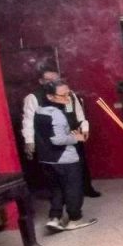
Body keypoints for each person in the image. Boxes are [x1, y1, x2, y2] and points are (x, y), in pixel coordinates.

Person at [22, 67, 100, 197]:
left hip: (72, 134)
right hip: (49, 138)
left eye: (56, 79)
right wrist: (29, 141)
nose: (53, 82)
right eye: (49, 80)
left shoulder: (69, 94)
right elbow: (28, 120)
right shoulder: (33, 97)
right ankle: (60, 197)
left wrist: (85, 128)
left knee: (80, 163)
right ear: (41, 81)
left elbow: (79, 114)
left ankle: (86, 188)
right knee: (55, 170)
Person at [34, 80, 97, 231]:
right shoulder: (57, 114)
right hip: (64, 158)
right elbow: (58, 140)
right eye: (63, 95)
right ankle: (75, 219)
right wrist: (77, 137)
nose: (68, 98)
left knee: (56, 189)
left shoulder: (40, 111)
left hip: (46, 159)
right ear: (50, 96)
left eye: (69, 94)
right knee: (73, 188)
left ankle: (55, 218)